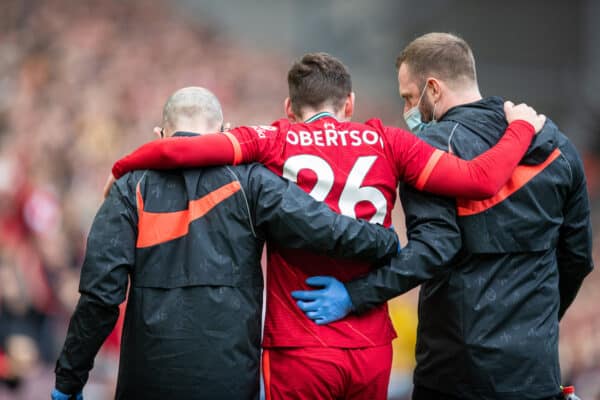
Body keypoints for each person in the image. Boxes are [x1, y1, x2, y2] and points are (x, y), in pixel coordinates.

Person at [103, 53, 546, 399]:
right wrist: (521, 129)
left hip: (299, 345)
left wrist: (122, 168)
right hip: (369, 346)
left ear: (289, 107)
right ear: (349, 103)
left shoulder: (274, 138)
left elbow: (183, 151)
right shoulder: (389, 141)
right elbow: (479, 179)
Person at [293, 33, 595, 400]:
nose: (407, 110)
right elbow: (577, 258)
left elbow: (434, 250)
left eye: (408, 97)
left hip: (455, 370)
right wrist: (536, 328)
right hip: (535, 372)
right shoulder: (557, 146)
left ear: (432, 89)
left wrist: (355, 295)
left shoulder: (430, 150)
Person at [50, 87, 402, 400]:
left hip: (147, 379)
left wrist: (69, 378)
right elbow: (327, 229)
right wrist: (384, 240)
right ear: (226, 132)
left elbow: (100, 295)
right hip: (229, 379)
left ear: (160, 134)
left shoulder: (130, 188)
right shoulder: (253, 181)